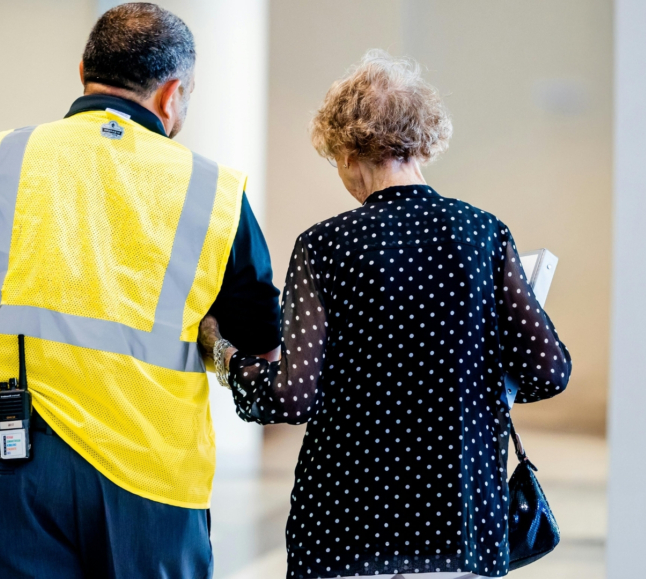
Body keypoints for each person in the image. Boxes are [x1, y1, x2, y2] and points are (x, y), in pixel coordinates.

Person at [0, 3, 280, 577]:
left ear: (82, 71)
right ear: (172, 94)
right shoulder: (213, 190)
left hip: (0, 453)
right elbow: (263, 349)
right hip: (148, 467)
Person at [198, 50, 572, 579]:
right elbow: (549, 370)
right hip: (462, 523)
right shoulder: (482, 234)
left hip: (345, 527)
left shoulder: (324, 247)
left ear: (349, 152)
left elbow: (291, 395)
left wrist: (227, 357)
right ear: (422, 141)